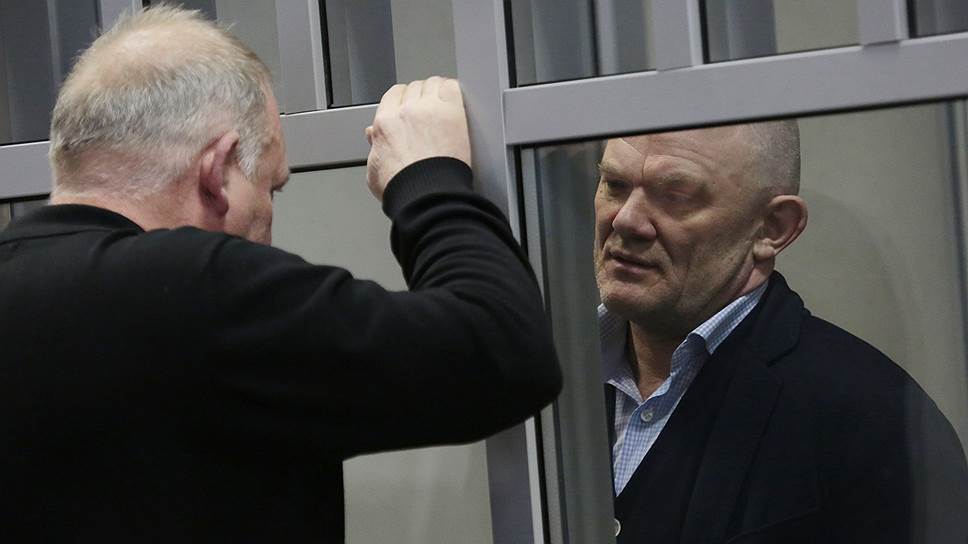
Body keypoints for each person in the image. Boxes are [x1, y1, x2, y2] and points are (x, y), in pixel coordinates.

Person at [0, 6, 561, 542]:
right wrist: (429, 181)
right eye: (272, 186)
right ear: (217, 172)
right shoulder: (195, 288)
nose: (271, 219)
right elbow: (501, 348)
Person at [594, 122, 968, 542]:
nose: (626, 220)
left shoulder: (874, 421)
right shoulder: (551, 377)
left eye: (675, 196)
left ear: (773, 228)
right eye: (615, 185)